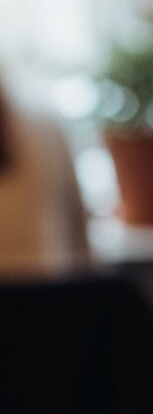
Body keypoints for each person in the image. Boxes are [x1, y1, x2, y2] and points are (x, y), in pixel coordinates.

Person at [0, 80, 90, 277]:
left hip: (43, 291)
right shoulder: (43, 116)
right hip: (50, 295)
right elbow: (82, 245)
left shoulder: (41, 119)